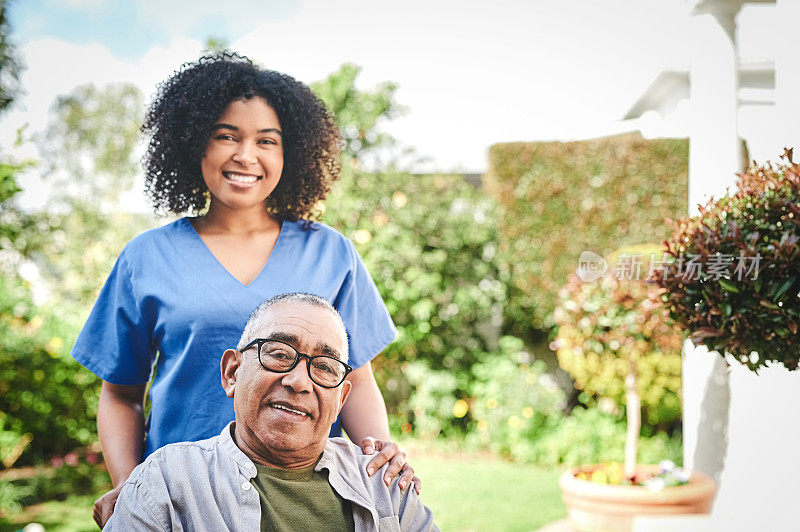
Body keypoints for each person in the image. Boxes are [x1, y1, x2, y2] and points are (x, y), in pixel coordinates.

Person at [70, 52, 418, 528]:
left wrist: (380, 462)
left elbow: (354, 380)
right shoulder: (146, 258)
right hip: (183, 502)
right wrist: (132, 486)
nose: (245, 155)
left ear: (288, 153)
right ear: (195, 144)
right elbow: (120, 395)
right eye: (226, 136)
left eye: (266, 141)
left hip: (306, 495)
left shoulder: (331, 253)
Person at [105, 293, 437, 531]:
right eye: (278, 353)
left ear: (340, 399)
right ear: (232, 372)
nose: (298, 381)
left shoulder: (386, 485)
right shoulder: (165, 483)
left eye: (324, 366)